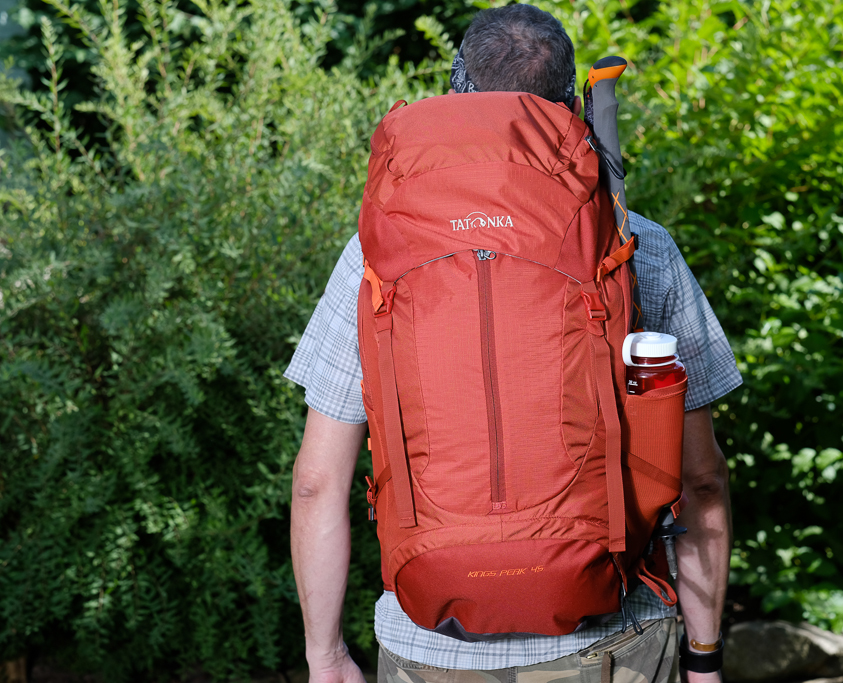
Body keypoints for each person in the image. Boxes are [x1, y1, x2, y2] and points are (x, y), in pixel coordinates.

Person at [285, 5, 741, 683]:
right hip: (609, 640)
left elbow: (317, 481)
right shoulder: (635, 246)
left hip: (426, 646)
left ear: (454, 88)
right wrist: (703, 661)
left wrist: (325, 655)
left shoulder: (374, 255)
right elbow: (700, 481)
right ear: (570, 105)